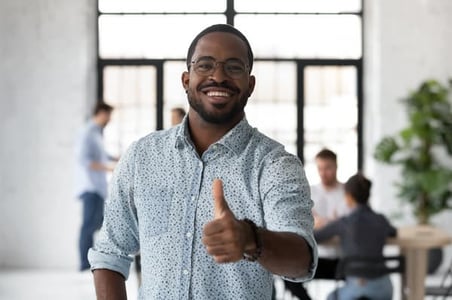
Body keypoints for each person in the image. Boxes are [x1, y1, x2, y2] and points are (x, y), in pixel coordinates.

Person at [88, 23, 318, 299]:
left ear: (250, 84)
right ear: (186, 80)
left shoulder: (275, 165)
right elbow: (110, 253)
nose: (218, 76)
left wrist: (251, 239)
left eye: (234, 67)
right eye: (205, 65)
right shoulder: (142, 157)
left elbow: (302, 261)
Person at [314, 173, 397, 300]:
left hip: (358, 289)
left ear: (348, 197)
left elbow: (316, 237)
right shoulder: (381, 220)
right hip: (385, 290)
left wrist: (320, 223)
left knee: (331, 297)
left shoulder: (344, 223)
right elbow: (393, 232)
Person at [284, 148, 350, 299]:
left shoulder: (347, 192)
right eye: (320, 168)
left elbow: (352, 225)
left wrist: (326, 225)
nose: (323, 173)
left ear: (336, 167)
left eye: (328, 168)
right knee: (287, 273)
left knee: (360, 273)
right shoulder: (309, 192)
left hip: (342, 261)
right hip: (316, 259)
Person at [74, 102, 117, 271]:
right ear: (101, 113)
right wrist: (109, 167)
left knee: (98, 224)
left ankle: (95, 261)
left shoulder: (97, 133)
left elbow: (102, 155)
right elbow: (84, 160)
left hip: (98, 188)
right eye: (108, 115)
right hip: (90, 187)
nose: (109, 119)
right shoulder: (87, 133)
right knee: (88, 226)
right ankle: (84, 265)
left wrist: (117, 158)